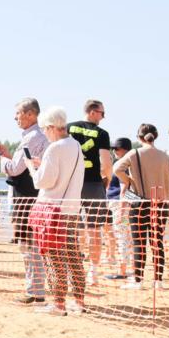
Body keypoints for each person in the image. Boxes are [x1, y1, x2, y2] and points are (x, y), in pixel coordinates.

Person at [26, 107, 85, 316]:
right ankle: (79, 301)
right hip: (72, 209)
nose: (44, 133)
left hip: (53, 210)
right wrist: (43, 166)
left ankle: (58, 304)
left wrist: (33, 169)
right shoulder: (75, 145)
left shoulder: (54, 148)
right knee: (72, 254)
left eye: (44, 129)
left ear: (51, 127)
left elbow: (44, 181)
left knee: (53, 257)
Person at [0, 97, 49, 304]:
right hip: (32, 195)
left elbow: (15, 169)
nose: (15, 117)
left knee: (28, 245)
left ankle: (35, 290)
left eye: (18, 113)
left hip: (26, 196)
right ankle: (35, 289)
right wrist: (7, 155)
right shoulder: (37, 135)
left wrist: (0, 157)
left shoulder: (32, 137)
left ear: (31, 114)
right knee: (32, 244)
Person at [114, 124, 169, 290]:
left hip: (139, 203)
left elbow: (116, 168)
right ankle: (158, 281)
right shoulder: (164, 156)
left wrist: (128, 181)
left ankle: (138, 281)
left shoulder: (135, 153)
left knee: (139, 242)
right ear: (156, 136)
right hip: (160, 204)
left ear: (139, 137)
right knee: (157, 242)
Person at [67, 99, 113, 287]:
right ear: (93, 112)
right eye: (102, 113)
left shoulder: (69, 128)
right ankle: (93, 272)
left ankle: (76, 270)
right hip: (94, 183)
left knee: (74, 230)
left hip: (73, 184)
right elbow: (106, 161)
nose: (103, 117)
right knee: (95, 230)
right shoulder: (101, 133)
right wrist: (107, 180)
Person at [104, 137, 133, 281]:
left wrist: (122, 206)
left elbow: (124, 186)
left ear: (124, 149)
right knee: (126, 237)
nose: (114, 151)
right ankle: (128, 269)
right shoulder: (126, 162)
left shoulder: (124, 164)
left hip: (120, 204)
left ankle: (122, 271)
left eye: (116, 148)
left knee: (122, 237)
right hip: (118, 204)